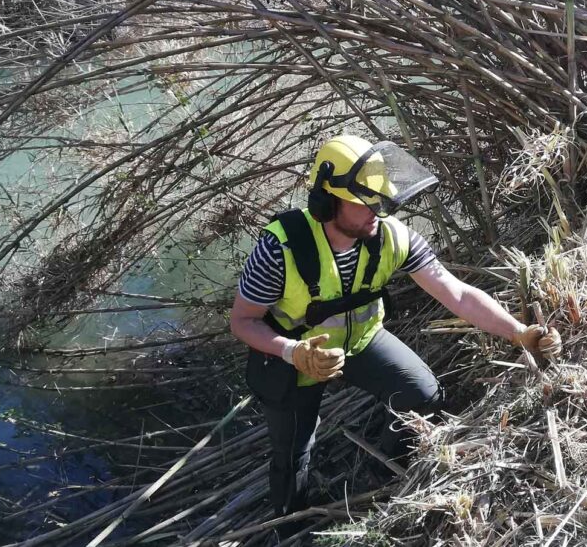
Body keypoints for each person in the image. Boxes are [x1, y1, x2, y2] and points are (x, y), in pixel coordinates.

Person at [228, 135, 561, 539]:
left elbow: (457, 293)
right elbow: (242, 321)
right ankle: (291, 526)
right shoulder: (279, 248)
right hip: (296, 358)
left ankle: (382, 475)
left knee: (422, 394)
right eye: (365, 201)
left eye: (381, 199)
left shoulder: (390, 236)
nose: (378, 210)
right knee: (293, 452)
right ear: (327, 201)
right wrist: (293, 351)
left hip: (362, 341)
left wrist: (519, 333)